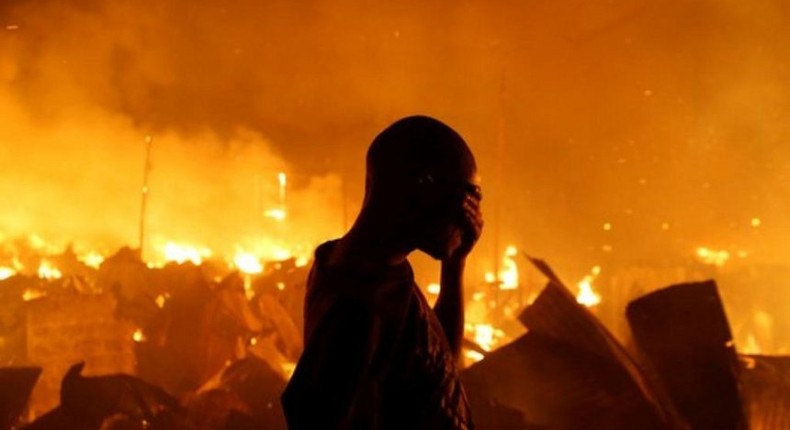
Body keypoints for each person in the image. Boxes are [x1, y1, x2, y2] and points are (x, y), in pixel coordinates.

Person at [281, 115, 483, 430]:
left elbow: (440, 361)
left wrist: (454, 266)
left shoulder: (384, 273)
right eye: (467, 196)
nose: (471, 215)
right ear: (425, 187)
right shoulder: (360, 305)